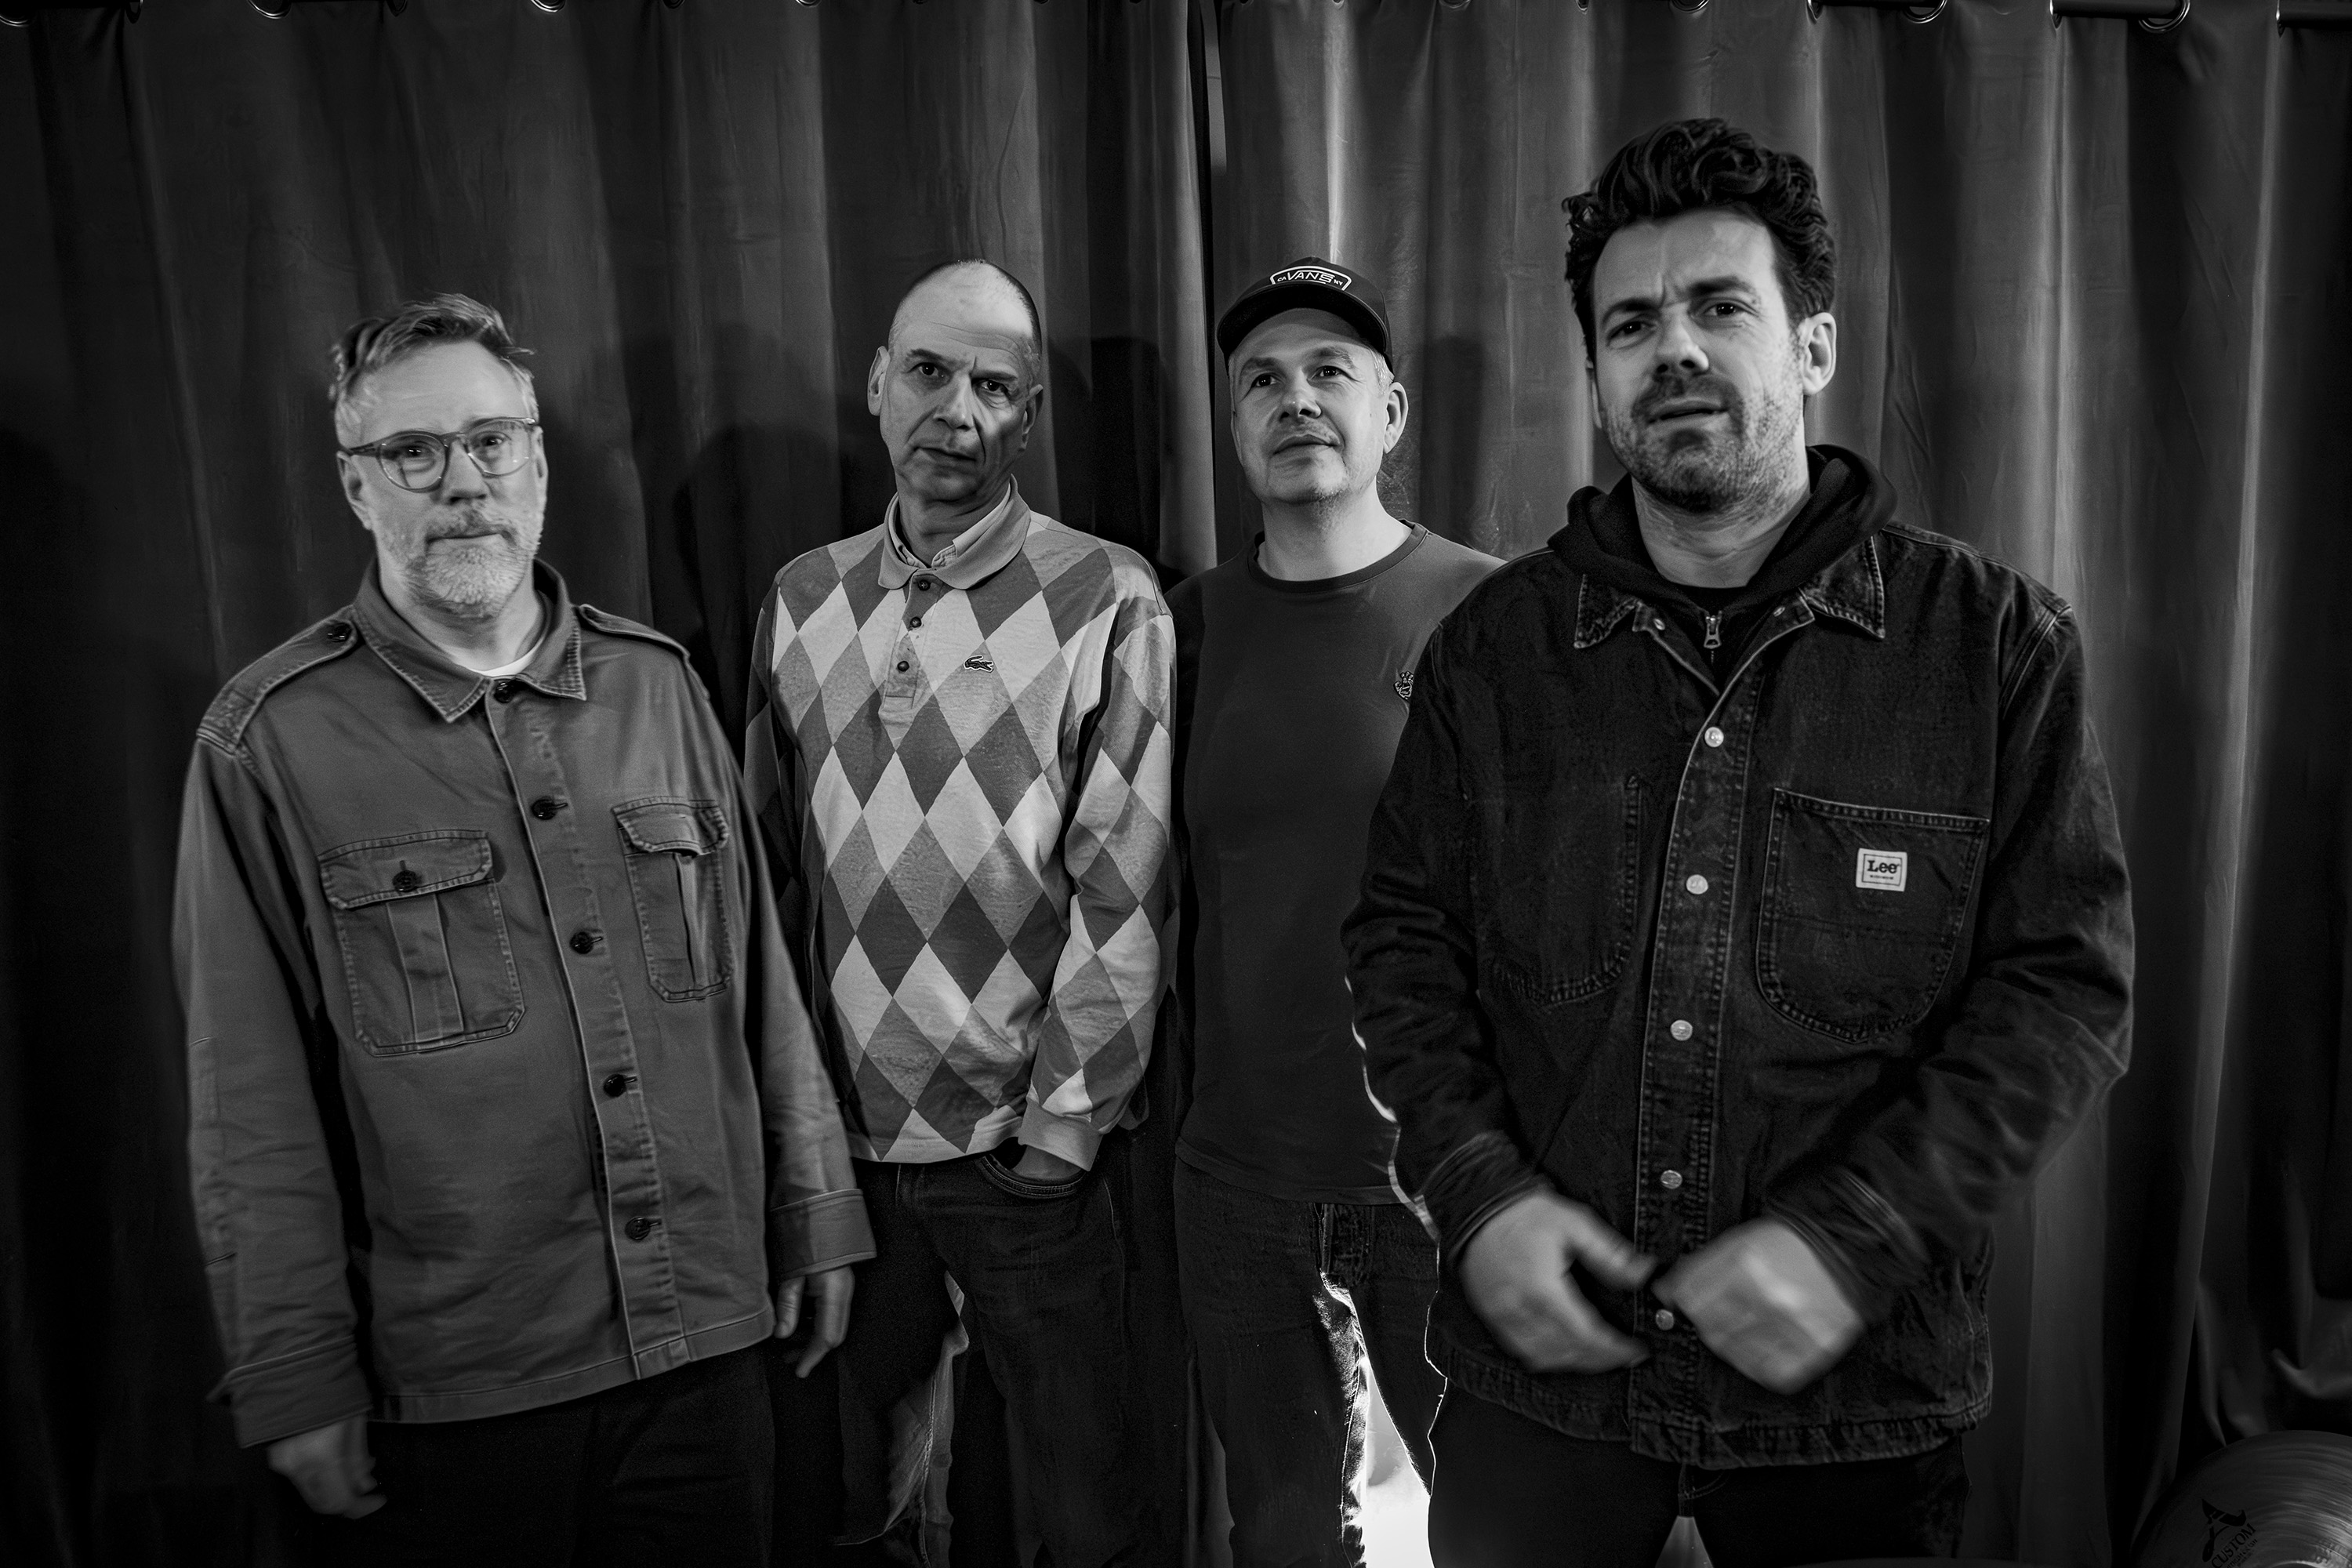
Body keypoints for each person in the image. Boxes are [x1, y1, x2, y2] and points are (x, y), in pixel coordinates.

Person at [1343, 119, 2134, 1567]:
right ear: (1597, 379)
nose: (1676, 351)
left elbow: (2062, 998)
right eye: (1631, 326)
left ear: (1813, 346)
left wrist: (1856, 1236)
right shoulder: (1492, 655)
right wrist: (1478, 1194)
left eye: (1720, 306)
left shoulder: (1994, 648)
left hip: (1856, 1411)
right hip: (1545, 1400)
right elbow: (1403, 949)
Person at [173, 294, 870, 1565]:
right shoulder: (268, 743)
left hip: (708, 1348)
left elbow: (760, 988)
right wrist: (294, 1370)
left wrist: (816, 1208)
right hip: (461, 1391)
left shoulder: (658, 686)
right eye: (413, 452)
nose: (463, 482)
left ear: (537, 464)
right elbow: (249, 1099)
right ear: (356, 485)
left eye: (492, 442)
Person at [745, 259, 1173, 1564]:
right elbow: (764, 877)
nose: (958, 409)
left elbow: (1126, 877)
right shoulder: (800, 598)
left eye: (995, 386)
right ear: (879, 384)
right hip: (843, 1161)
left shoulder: (1107, 594)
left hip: (1015, 1153)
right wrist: (791, 1129)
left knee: (1078, 1514)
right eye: (930, 372)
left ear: (1029, 415)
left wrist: (1062, 1129)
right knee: (849, 1507)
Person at [1169, 258, 1497, 1566]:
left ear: (1391, 411)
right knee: (1285, 1537)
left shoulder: (1493, 610)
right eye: (1263, 379)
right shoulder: (1178, 628)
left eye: (1329, 372)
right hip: (1240, 1184)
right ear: (1233, 423)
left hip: (1440, 1184)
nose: (1296, 399)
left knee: (1502, 1528)